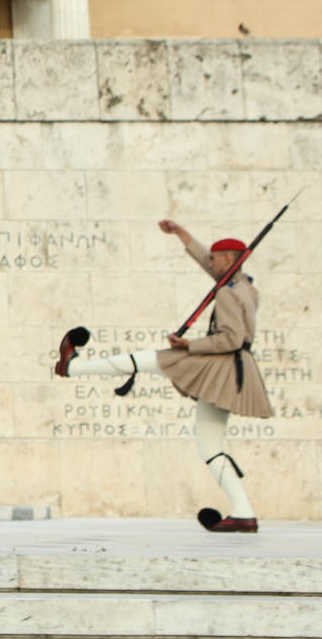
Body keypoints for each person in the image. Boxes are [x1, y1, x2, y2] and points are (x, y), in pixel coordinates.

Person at [55, 218, 270, 532]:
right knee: (210, 447)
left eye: (213, 259)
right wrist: (182, 234)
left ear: (227, 260)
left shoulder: (227, 294)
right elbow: (215, 278)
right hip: (234, 370)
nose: (208, 263)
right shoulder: (245, 287)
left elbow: (230, 339)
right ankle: (243, 513)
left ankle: (71, 366)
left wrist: (189, 344)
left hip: (220, 365)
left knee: (149, 359)